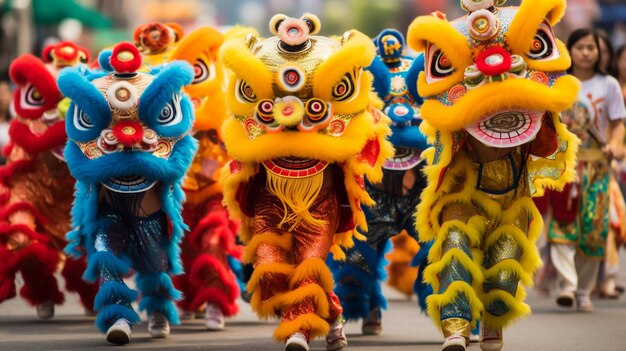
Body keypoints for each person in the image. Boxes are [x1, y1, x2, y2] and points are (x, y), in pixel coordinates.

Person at [408, 0, 580, 350]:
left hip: (513, 198)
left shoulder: (533, 107)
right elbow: (431, 97)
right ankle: (456, 328)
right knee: (454, 249)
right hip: (462, 193)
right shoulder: (454, 111)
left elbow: (547, 143)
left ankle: (492, 323)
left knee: (504, 266)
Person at [220, 14, 393, 351]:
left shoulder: (342, 122)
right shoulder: (255, 124)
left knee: (309, 268)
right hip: (271, 199)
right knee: (269, 269)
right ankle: (333, 314)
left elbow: (363, 136)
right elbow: (240, 143)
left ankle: (298, 330)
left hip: (320, 201)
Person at [60, 43, 196, 345]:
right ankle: (118, 315)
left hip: (149, 206)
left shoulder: (168, 124)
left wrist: (147, 151)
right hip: (107, 203)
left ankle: (158, 311)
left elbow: (177, 158)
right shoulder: (95, 98)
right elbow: (80, 159)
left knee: (154, 263)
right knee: (105, 253)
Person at [328, 27, 429, 336]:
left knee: (445, 249)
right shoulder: (362, 82)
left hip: (420, 187)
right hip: (373, 185)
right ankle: (362, 306)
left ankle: (457, 316)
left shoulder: (421, 76)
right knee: (357, 258)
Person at [0, 42, 98, 319]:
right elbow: (18, 152)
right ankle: (42, 291)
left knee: (88, 251)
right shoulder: (27, 114)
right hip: (31, 186)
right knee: (22, 241)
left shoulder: (88, 112)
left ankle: (96, 295)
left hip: (76, 189)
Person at [547, 28, 626, 312]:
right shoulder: (559, 83)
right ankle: (568, 285)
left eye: (590, 47)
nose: (585, 52)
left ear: (598, 52)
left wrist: (616, 145)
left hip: (598, 166)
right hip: (565, 164)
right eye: (579, 47)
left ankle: (584, 291)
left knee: (594, 228)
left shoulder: (609, 85)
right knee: (562, 224)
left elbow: (618, 122)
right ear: (570, 50)